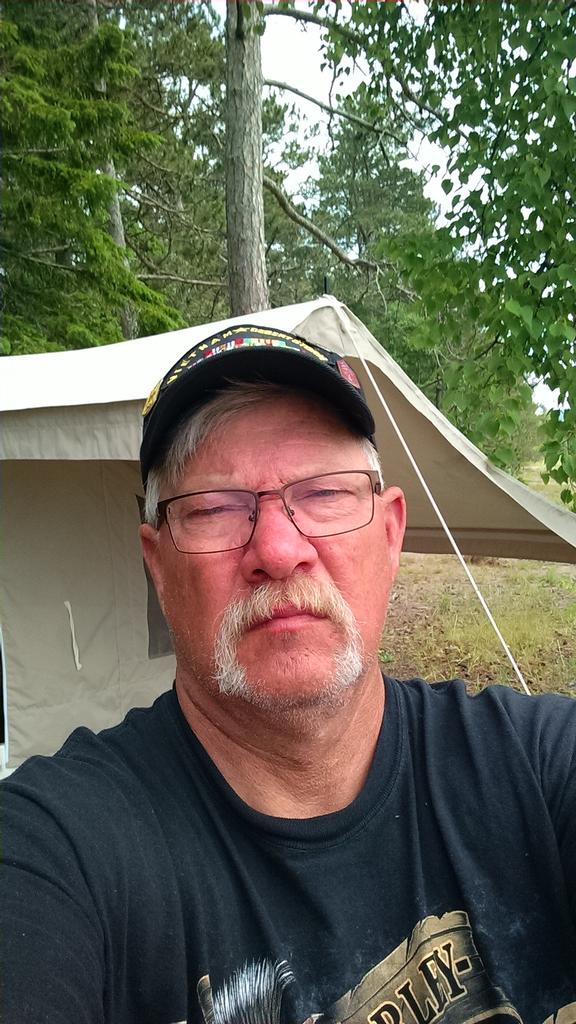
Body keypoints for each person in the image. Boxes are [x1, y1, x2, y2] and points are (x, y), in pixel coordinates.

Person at [2, 324, 576, 1024]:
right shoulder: (57, 852)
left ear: (390, 534)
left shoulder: (539, 767)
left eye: (326, 494)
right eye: (214, 508)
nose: (278, 550)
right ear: (158, 566)